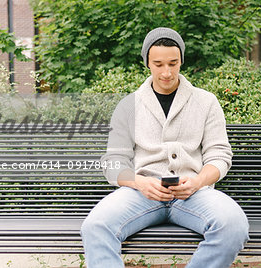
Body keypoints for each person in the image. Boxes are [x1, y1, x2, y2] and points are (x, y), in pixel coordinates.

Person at [81, 27, 249, 268]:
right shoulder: (129, 105)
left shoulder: (206, 101)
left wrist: (199, 181)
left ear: (181, 60)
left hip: (193, 193)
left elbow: (219, 155)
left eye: (173, 63)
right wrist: (140, 182)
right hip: (141, 193)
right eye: (158, 64)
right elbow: (114, 162)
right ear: (147, 63)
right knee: (96, 226)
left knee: (233, 225)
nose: (167, 72)